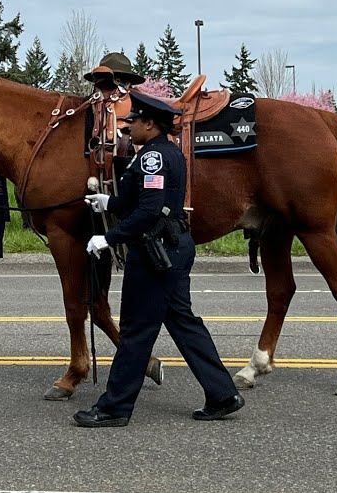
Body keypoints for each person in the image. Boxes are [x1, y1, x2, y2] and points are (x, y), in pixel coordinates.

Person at [74, 90, 244, 427]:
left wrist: (108, 238)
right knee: (183, 322)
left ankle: (115, 407)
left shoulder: (154, 156)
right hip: (172, 246)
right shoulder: (158, 152)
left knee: (136, 330)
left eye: (134, 121)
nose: (129, 126)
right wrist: (108, 203)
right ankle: (223, 393)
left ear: (150, 124)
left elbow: (150, 211)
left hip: (156, 253)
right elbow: (142, 201)